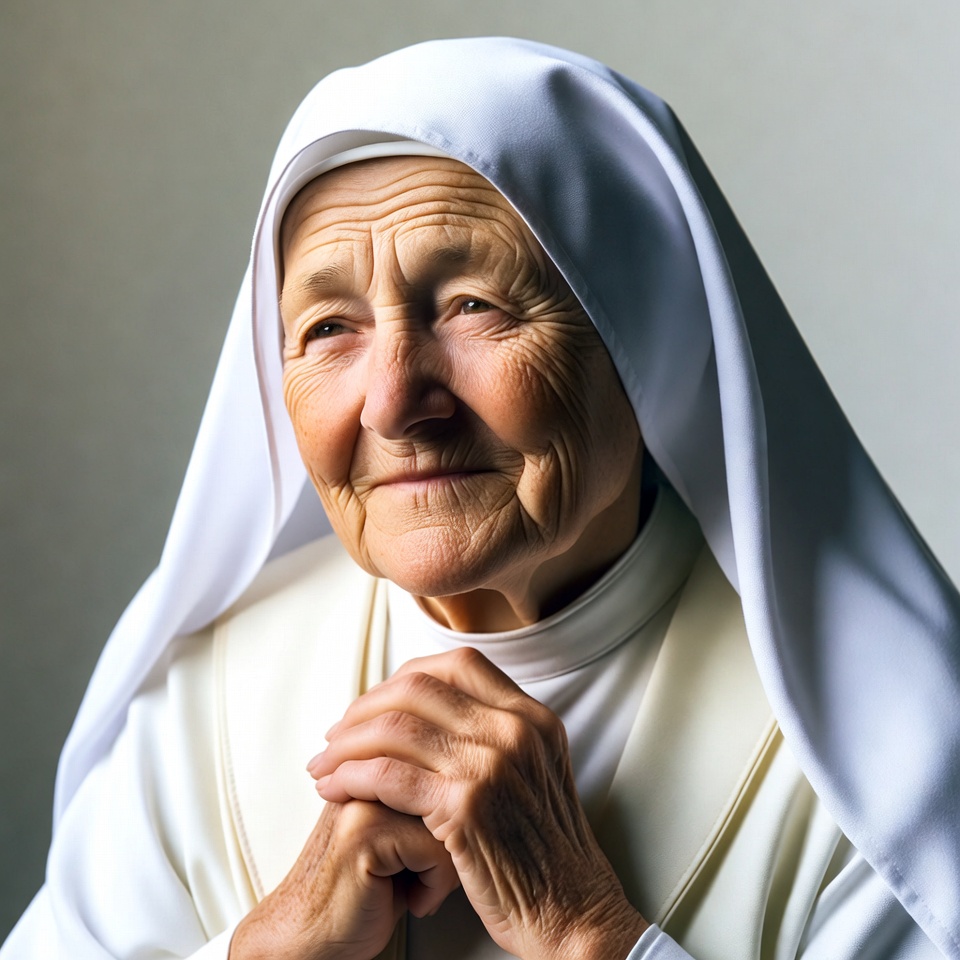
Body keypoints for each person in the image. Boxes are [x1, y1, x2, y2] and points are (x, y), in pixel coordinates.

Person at [3, 36, 959, 960]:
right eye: (330, 327)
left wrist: (588, 937)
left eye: (473, 307)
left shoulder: (883, 750)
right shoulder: (198, 708)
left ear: (647, 342)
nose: (393, 404)